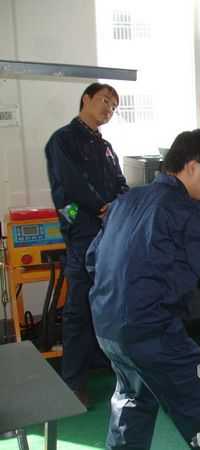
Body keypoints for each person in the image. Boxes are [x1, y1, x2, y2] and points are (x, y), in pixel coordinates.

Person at [87, 129, 200, 450]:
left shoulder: (126, 201)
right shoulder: (185, 210)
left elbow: (92, 259)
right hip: (151, 331)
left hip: (107, 327)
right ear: (193, 167)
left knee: (133, 401)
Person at [45, 82, 128, 406]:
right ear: (86, 99)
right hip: (82, 232)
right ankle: (73, 383)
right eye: (105, 101)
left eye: (114, 106)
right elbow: (71, 182)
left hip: (110, 232)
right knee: (79, 308)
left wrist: (119, 206)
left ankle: (107, 368)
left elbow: (119, 182)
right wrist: (100, 206)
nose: (109, 109)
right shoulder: (62, 140)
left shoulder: (105, 146)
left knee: (109, 303)